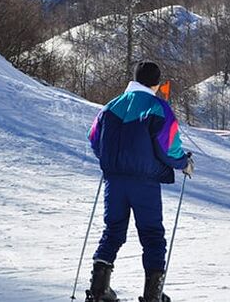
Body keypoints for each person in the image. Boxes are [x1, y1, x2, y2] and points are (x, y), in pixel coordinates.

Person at [86, 61, 195, 302]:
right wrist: (183, 163)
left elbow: (94, 139)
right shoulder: (158, 107)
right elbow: (169, 147)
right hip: (144, 183)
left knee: (113, 231)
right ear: (156, 83)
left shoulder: (110, 106)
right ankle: (152, 295)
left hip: (114, 181)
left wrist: (113, 161)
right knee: (152, 234)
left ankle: (99, 289)